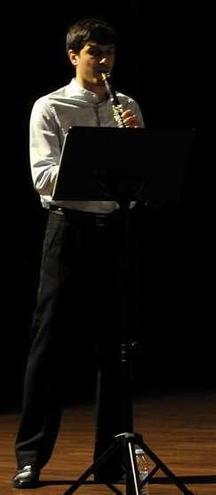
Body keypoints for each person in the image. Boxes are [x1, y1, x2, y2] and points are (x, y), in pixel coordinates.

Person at [13, 18, 143, 489]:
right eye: (94, 53)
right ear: (74, 56)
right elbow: (43, 177)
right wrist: (94, 162)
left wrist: (134, 146)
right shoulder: (50, 107)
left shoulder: (127, 107)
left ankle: (111, 457)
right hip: (68, 231)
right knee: (50, 345)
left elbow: (143, 179)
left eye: (109, 53)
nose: (103, 62)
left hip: (114, 232)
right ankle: (31, 456)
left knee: (117, 348)